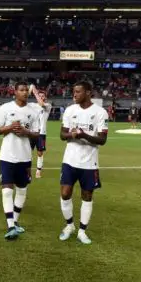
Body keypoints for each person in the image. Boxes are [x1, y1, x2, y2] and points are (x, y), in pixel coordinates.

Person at [59, 81, 108, 245]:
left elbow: (102, 139)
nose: (74, 94)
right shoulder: (70, 110)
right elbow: (62, 135)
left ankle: (82, 231)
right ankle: (69, 226)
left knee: (87, 196)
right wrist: (72, 135)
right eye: (74, 91)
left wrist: (83, 135)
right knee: (65, 193)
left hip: (89, 162)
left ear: (88, 92)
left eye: (78, 91)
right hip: (69, 160)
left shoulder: (100, 112)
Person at [0, 83, 40, 240]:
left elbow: (37, 134)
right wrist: (10, 127)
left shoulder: (33, 111)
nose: (25, 92)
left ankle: (15, 222)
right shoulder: (5, 108)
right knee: (7, 190)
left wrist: (26, 132)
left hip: (25, 156)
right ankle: (10, 226)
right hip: (7, 156)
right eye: (21, 90)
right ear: (15, 92)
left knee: (22, 190)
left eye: (26, 90)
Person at [28, 84, 52, 179]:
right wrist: (30, 90)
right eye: (40, 96)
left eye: (43, 96)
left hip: (41, 133)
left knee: (40, 153)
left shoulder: (48, 106)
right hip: (31, 132)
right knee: (28, 152)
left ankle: (38, 171)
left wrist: (35, 92)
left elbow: (41, 104)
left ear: (45, 97)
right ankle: (27, 169)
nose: (41, 97)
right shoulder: (33, 106)